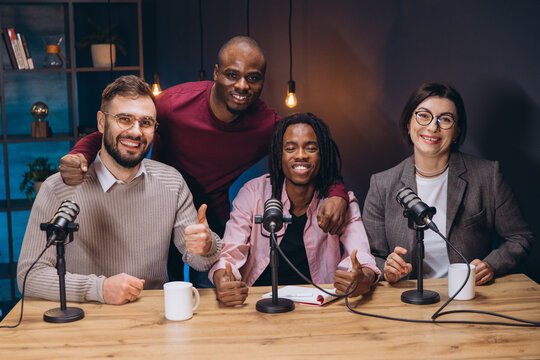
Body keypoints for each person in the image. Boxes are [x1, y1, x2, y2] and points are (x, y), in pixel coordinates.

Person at [58, 36, 349, 287]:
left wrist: (337, 193)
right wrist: (80, 154)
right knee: (159, 291)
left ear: (262, 80)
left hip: (211, 219)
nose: (242, 85)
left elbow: (308, 153)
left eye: (253, 77)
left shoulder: (266, 125)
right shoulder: (173, 104)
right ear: (216, 73)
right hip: (159, 212)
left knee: (213, 296)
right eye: (232, 74)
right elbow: (121, 126)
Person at [17, 75, 222, 304]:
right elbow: (29, 276)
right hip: (84, 321)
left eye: (146, 123)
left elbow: (199, 261)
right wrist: (99, 288)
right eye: (124, 119)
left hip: (152, 319)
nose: (135, 132)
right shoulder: (57, 188)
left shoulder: (172, 182)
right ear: (102, 123)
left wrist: (206, 245)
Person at [363, 82, 534, 286]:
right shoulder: (382, 185)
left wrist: (491, 265)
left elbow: (520, 237)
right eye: (423, 115)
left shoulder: (488, 175)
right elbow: (372, 256)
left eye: (445, 119)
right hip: (405, 299)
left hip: (468, 296)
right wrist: (387, 268)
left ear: (456, 132)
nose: (433, 127)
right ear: (408, 124)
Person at [209, 113, 380, 306]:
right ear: (278, 155)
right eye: (290, 148)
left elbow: (362, 258)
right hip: (257, 303)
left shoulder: (341, 202)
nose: (300, 155)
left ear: (322, 154)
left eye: (311, 148)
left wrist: (363, 279)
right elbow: (229, 252)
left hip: (319, 305)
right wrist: (223, 281)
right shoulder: (253, 193)